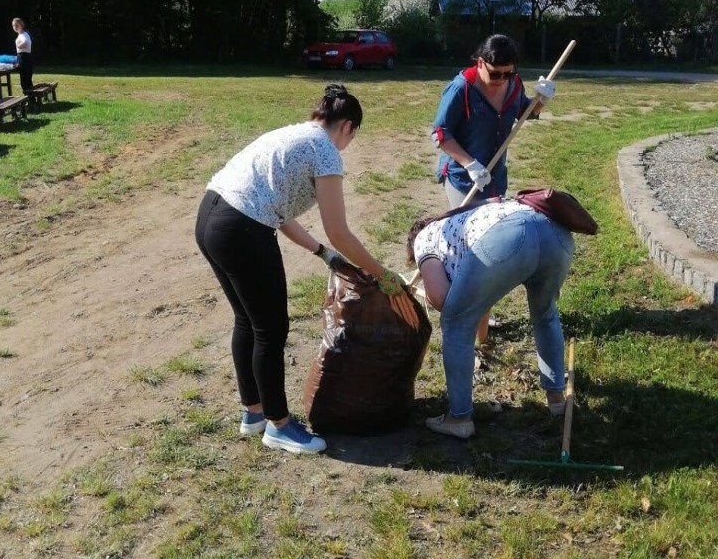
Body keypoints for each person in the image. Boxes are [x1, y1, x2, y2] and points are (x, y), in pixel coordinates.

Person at [195, 83, 416, 456]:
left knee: (247, 321)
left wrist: (322, 253)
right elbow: (340, 230)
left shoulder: (294, 134)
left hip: (210, 218)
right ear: (348, 126)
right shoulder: (326, 151)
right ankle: (279, 426)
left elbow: (278, 209)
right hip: (242, 229)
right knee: (271, 329)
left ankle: (254, 414)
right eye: (353, 136)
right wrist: (382, 273)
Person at [407, 196, 575, 440]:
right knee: (545, 314)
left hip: (511, 238)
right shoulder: (467, 222)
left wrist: (455, 306)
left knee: (455, 324)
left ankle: (459, 419)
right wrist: (480, 331)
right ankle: (557, 400)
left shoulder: (426, 237)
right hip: (555, 232)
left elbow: (442, 299)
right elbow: (478, 299)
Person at [430, 33, 556, 343]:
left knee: (491, 245)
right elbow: (440, 133)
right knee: (471, 249)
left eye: (508, 73)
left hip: (496, 177)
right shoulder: (460, 89)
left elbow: (525, 112)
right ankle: (467, 317)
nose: (501, 79)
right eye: (495, 73)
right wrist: (470, 164)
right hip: (463, 178)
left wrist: (541, 100)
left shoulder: (513, 84)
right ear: (480, 62)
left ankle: (481, 312)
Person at [12, 17, 33, 96]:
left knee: (25, 79)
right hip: (23, 57)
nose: (15, 27)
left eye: (17, 25)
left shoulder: (24, 34)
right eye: (14, 26)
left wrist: (18, 46)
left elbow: (26, 42)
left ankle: (29, 98)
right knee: (25, 79)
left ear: (21, 25)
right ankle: (30, 98)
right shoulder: (21, 34)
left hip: (24, 57)